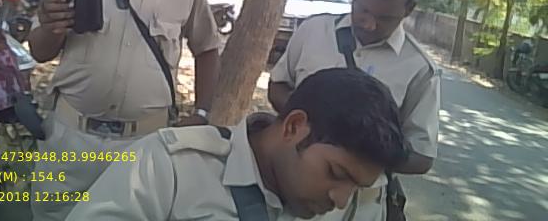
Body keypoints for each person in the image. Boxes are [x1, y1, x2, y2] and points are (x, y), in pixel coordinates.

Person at [27, 0, 221, 220]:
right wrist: (52, 26)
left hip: (143, 145)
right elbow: (40, 51)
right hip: (72, 137)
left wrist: (203, 113)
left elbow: (207, 48)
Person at [66, 68, 407, 221]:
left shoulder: (346, 207)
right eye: (336, 173)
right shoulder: (170, 167)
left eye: (357, 186)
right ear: (294, 127)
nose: (340, 199)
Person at [268, 0, 441, 221]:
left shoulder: (420, 70)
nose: (369, 25)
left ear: (409, 10)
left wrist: (364, 150)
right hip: (288, 193)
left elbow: (422, 157)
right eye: (363, 10)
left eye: (385, 19)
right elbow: (278, 86)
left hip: (361, 208)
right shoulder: (313, 31)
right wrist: (314, 122)